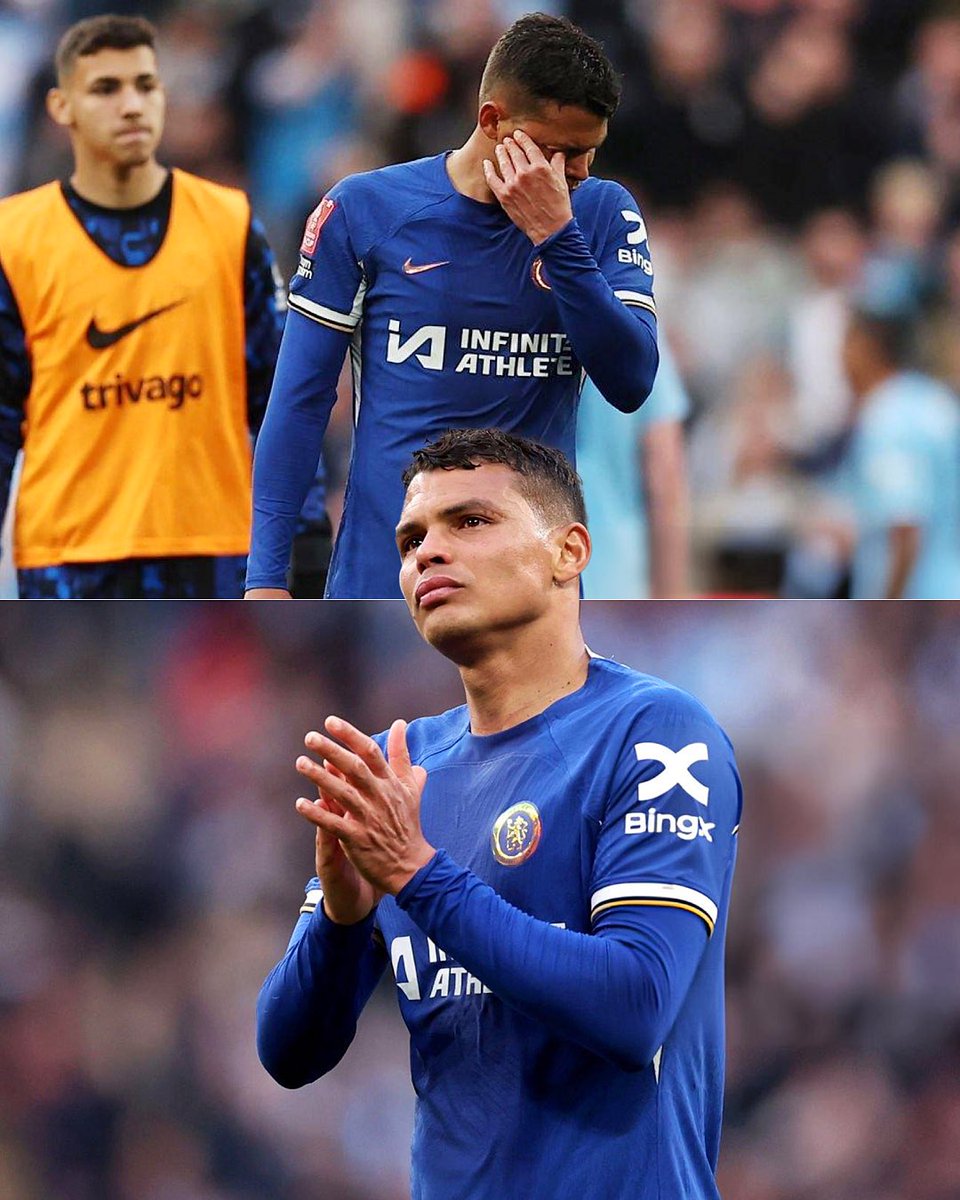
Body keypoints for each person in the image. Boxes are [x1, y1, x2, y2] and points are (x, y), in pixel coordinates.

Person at [257, 428, 742, 1199]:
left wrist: (418, 877)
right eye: (412, 538)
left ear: (569, 553)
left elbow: (635, 1005)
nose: (428, 554)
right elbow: (288, 1054)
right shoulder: (402, 770)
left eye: (470, 522)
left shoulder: (655, 731)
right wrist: (341, 921)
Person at [245, 12, 659, 599]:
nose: (578, 172)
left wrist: (557, 241)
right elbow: (299, 402)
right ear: (492, 120)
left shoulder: (599, 215)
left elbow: (632, 379)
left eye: (589, 152)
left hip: (527, 586)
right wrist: (264, 578)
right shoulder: (366, 212)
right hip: (386, 578)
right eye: (559, 151)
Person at [0, 14, 330, 599]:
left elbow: (281, 398)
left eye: (145, 85)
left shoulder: (227, 224)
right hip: (70, 551)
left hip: (212, 545)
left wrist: (302, 535)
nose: (131, 106)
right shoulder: (14, 238)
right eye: (106, 88)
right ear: (60, 107)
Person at [841, 307, 960, 597]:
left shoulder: (887, 417)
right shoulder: (935, 400)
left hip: (921, 598)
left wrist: (888, 606)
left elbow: (906, 524)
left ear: (864, 349)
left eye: (845, 344)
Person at [577, 333, 691, 597]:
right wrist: (670, 599)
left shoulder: (504, 328)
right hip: (612, 573)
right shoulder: (637, 333)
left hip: (528, 576)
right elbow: (665, 478)